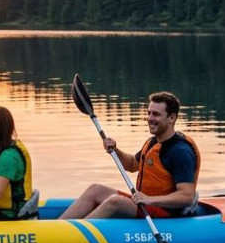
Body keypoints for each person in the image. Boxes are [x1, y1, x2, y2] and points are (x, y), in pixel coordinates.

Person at [58, 91, 199, 220]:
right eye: (149, 113)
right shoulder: (153, 142)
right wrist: (115, 150)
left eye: (156, 114)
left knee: (115, 202)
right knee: (96, 190)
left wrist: (150, 200)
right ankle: (55, 229)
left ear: (172, 118)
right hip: (146, 204)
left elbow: (186, 196)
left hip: (166, 213)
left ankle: (75, 236)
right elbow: (132, 164)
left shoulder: (180, 152)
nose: (150, 118)